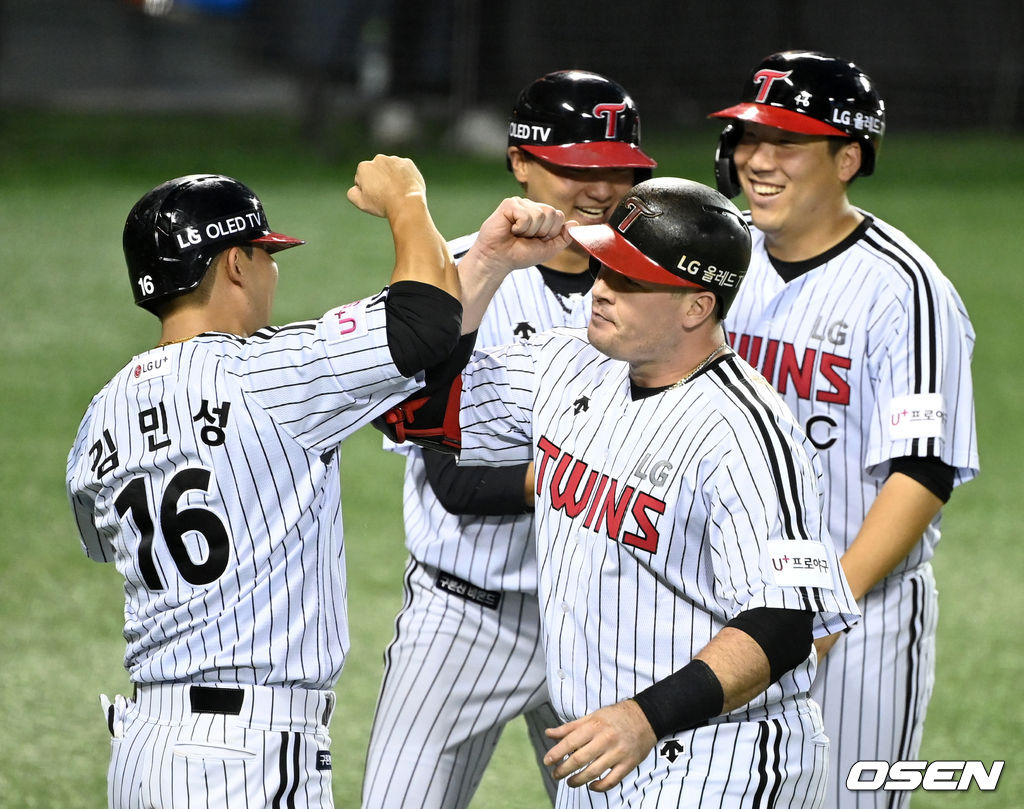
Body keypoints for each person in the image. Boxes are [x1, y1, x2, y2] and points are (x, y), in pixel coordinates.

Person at [65, 159, 571, 809]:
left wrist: (491, 261)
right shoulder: (274, 373)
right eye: (267, 255)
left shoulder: (100, 414)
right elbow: (422, 324)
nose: (274, 272)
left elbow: (103, 541)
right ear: (236, 264)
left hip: (144, 747)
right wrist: (407, 201)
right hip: (245, 754)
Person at [376, 177, 862, 807]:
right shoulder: (568, 365)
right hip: (605, 752)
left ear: (696, 306)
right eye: (604, 266)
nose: (601, 289)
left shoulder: (747, 433)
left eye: (630, 279)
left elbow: (783, 624)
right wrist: (488, 264)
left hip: (719, 762)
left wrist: (644, 717)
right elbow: (415, 409)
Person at [361, 69, 656, 809]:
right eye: (575, 169)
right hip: (465, 617)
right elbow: (454, 480)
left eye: (618, 171)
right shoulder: (451, 273)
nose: (600, 190)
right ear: (520, 161)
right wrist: (589, 474)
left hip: (604, 617)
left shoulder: (659, 287)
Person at [708, 50, 979, 808]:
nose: (758, 160)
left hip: (860, 618)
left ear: (848, 157)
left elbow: (922, 472)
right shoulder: (722, 257)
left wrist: (826, 608)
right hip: (724, 605)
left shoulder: (907, 290)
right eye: (748, 139)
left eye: (785, 142)